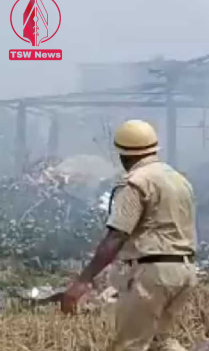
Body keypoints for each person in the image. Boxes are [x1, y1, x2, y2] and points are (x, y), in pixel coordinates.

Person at [61, 119, 197, 351]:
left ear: (123, 155)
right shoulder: (178, 180)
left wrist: (83, 281)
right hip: (185, 272)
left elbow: (116, 236)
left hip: (153, 274)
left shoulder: (136, 183)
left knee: (129, 345)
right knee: (161, 342)